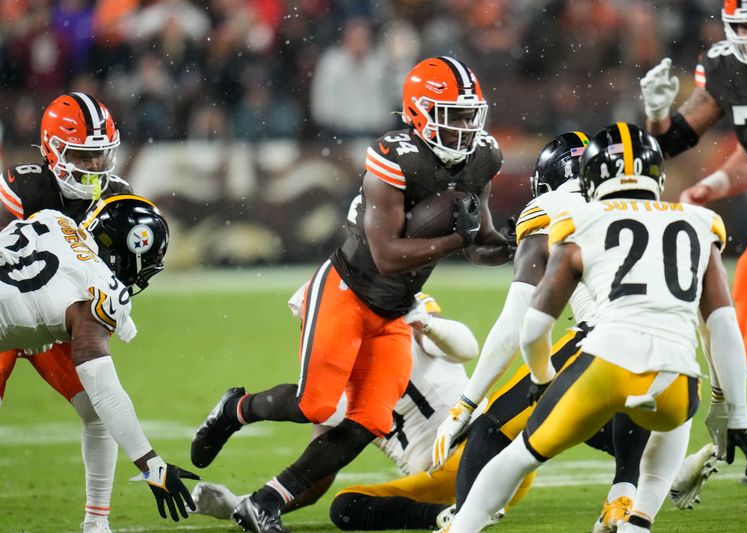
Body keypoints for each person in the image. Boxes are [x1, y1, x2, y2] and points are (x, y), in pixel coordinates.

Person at [190, 56, 514, 533]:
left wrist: (515, 242)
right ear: (419, 113)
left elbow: (480, 244)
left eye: (469, 114)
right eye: (454, 114)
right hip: (348, 290)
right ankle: (236, 408)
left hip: (397, 309)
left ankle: (265, 502)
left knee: (370, 419)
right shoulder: (393, 156)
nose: (465, 127)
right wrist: (456, 239)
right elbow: (386, 255)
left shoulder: (482, 156)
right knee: (314, 405)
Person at [445, 123, 747, 533]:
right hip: (677, 383)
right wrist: (732, 413)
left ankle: (460, 526)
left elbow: (532, 325)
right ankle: (634, 518)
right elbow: (721, 328)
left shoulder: (579, 220)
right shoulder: (698, 222)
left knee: (519, 454)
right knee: (663, 427)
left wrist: (541, 379)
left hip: (606, 362)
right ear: (658, 177)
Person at [431, 131, 654, 533]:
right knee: (593, 412)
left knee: (490, 429)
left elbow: (518, 322)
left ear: (545, 182)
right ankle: (627, 495)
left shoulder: (549, 207)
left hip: (603, 334)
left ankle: (463, 524)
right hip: (665, 341)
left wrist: (465, 404)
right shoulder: (636, 202)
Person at [639, 0, 747, 486]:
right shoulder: (728, 66)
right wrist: (656, 112)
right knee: (743, 338)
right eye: (743, 25)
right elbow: (673, 141)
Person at [192, 290, 498, 530]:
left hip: (482, 442)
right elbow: (310, 481)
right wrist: (239, 505)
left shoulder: (405, 324)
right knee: (346, 507)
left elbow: (468, 348)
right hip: (444, 483)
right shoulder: (337, 384)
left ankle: (235, 410)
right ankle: (449, 515)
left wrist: (428, 324)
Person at [0, 194, 197, 529]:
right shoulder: (100, 289)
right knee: (99, 404)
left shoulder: (53, 218)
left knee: (94, 413)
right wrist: (153, 467)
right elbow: (104, 388)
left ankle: (96, 524)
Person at [0, 92, 135, 533]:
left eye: (101, 156)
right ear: (52, 151)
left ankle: (96, 523)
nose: (95, 168)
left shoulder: (117, 200)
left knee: (98, 410)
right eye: (82, 155)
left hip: (58, 322)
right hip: (7, 315)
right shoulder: (25, 186)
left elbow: (108, 291)